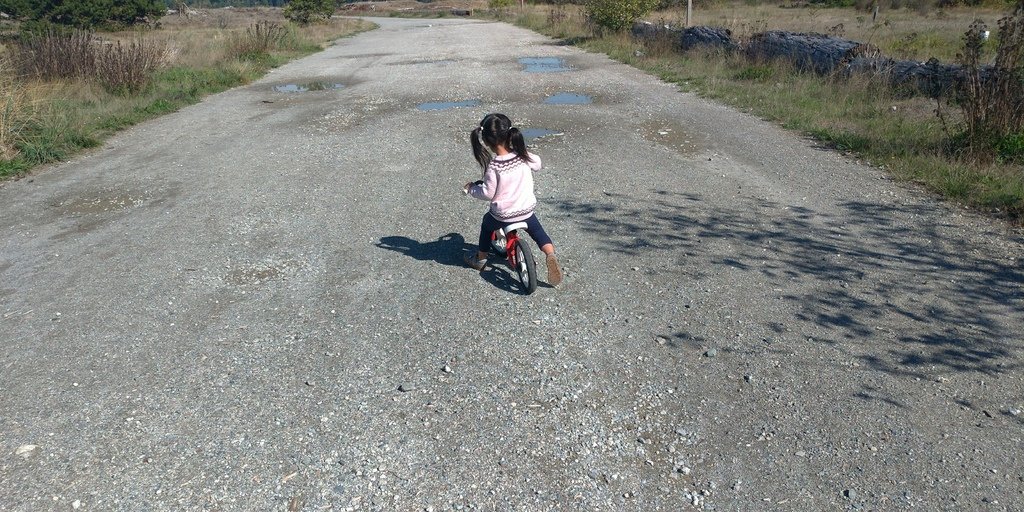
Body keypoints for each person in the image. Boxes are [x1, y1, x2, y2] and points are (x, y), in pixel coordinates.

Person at [463, 113, 562, 286]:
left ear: (486, 142)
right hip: (526, 211)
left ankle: (481, 258)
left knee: (487, 225)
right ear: (510, 135)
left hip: (502, 215)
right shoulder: (523, 156)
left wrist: (472, 188)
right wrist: (523, 151)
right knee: (538, 233)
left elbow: (487, 193)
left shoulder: (494, 167)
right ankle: (550, 255)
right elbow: (538, 164)